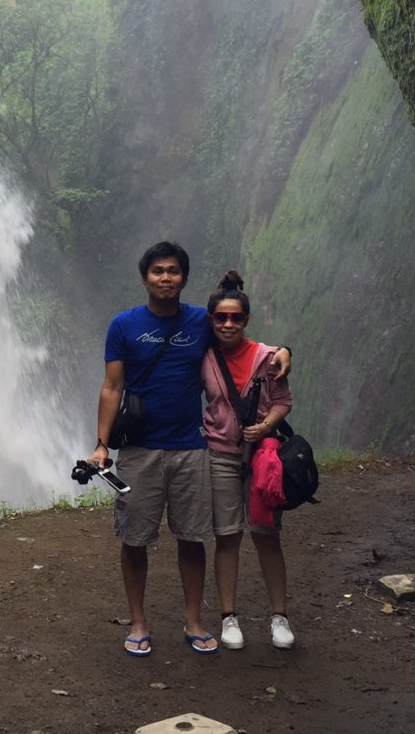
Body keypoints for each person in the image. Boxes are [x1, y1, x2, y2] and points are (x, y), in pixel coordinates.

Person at [86, 242, 290, 657]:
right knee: (135, 539)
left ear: (184, 278)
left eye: (174, 271)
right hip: (140, 450)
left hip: (192, 447)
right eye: (158, 270)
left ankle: (194, 621)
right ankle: (138, 623)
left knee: (192, 538)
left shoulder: (202, 321)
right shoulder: (123, 326)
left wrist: (286, 350)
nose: (166, 277)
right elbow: (112, 386)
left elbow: (244, 342)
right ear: (145, 277)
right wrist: (101, 445)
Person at [201, 270, 295, 650]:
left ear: (246, 320)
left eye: (235, 317)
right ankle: (229, 618)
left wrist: (266, 425)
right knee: (227, 537)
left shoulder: (268, 358)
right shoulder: (203, 357)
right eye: (221, 317)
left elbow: (283, 402)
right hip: (219, 455)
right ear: (211, 320)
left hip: (262, 460)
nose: (228, 324)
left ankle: (279, 617)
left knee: (267, 536)